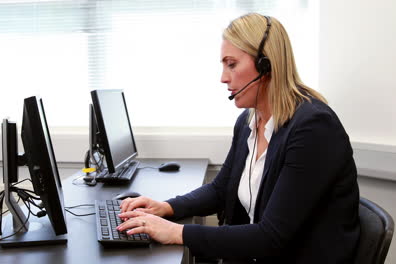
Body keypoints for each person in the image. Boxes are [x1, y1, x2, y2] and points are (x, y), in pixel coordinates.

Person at [117, 13, 360, 263]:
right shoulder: (249, 122)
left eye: (231, 64)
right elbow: (221, 189)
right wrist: (166, 207)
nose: (223, 77)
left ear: (266, 65)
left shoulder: (313, 128)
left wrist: (176, 232)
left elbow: (271, 237)